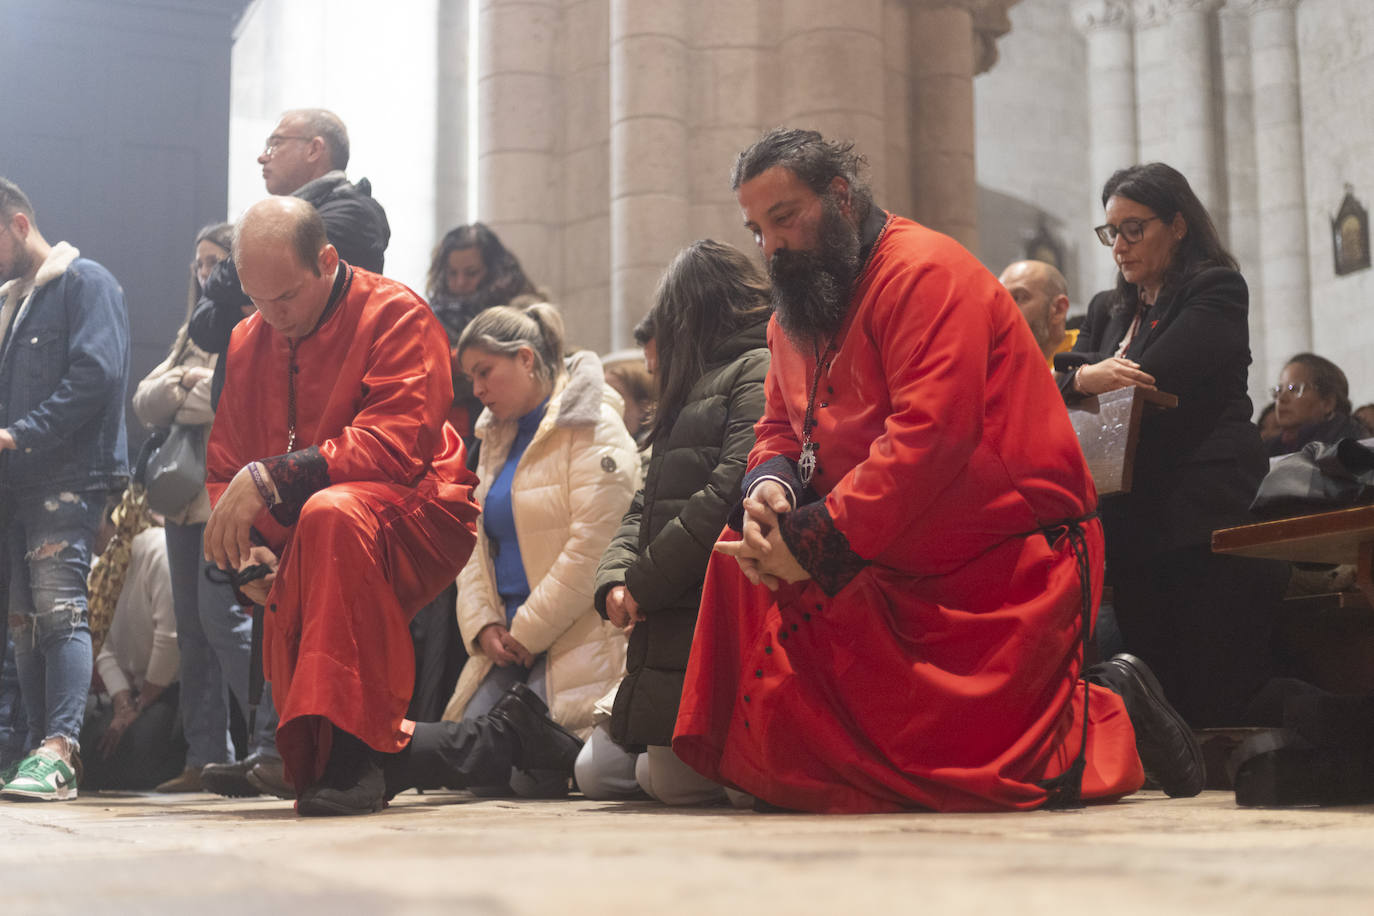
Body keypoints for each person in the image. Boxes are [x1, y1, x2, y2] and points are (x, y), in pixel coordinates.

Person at [671, 129, 1200, 815]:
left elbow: (931, 438)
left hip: (1002, 547)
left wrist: (812, 544)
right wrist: (771, 489)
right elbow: (779, 424)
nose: (771, 246)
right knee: (740, 567)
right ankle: (792, 759)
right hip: (887, 537)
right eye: (756, 230)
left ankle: (1101, 713)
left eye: (784, 218)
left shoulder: (924, 272)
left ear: (839, 197)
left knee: (968, 779)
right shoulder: (797, 310)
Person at [203, 197, 480, 816]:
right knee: (311, 761)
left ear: (327, 260)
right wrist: (249, 553)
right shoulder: (250, 339)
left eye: (287, 298)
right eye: (257, 300)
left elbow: (398, 444)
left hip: (421, 505)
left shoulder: (395, 311)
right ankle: (497, 741)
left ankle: (355, 757)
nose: (273, 318)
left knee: (330, 514)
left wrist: (274, 479)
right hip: (315, 524)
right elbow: (225, 470)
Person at [1061, 162, 1289, 728]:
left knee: (1213, 683)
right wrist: (1082, 378)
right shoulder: (1106, 309)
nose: (1119, 245)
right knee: (1153, 675)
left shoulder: (1214, 289)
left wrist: (1082, 375)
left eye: (1134, 229)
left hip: (1204, 506)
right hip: (1133, 513)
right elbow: (1064, 374)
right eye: (1111, 231)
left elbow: (1153, 373)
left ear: (1179, 224)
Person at [576, 240, 771, 804]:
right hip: (665, 618)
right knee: (601, 775)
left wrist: (645, 585)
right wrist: (614, 580)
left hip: (702, 609)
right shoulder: (691, 390)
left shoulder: (754, 367)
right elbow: (643, 501)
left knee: (666, 781)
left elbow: (728, 489)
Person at [441, 301, 638, 797]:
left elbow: (595, 546)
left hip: (572, 635)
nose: (478, 390)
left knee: (522, 772)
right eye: (471, 379)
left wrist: (526, 630)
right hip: (506, 643)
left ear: (526, 358)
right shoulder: (493, 437)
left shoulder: (592, 424)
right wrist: (483, 624)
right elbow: (472, 543)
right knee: (472, 770)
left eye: (485, 372)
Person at [0, 178, 129, 801]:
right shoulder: (15, 301)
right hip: (18, 486)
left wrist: (19, 434)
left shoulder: (86, 282)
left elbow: (96, 376)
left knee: (59, 615)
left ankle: (60, 749)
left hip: (67, 478)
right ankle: (34, 751)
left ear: (19, 224)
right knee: (23, 627)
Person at [192, 108, 391, 408]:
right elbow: (205, 325)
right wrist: (240, 294)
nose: (262, 157)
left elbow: (232, 279)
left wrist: (240, 292)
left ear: (314, 149)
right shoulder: (275, 217)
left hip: (308, 408)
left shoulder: (354, 213)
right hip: (248, 412)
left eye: (276, 143)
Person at [80, 497, 185, 791]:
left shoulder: (157, 547)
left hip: (172, 687)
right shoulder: (101, 565)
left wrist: (139, 706)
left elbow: (170, 637)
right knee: (93, 753)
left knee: (135, 757)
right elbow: (103, 646)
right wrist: (123, 703)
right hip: (137, 693)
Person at [424, 223, 542, 441]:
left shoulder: (522, 309)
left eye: (471, 273)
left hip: (511, 426)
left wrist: (452, 364)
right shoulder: (429, 315)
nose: (460, 282)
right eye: (452, 273)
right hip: (448, 434)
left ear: (493, 270)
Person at [1266, 353, 1369, 457]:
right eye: (1279, 390)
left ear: (1327, 403)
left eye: (1295, 389)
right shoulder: (1269, 449)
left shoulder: (1348, 446)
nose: (1281, 398)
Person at [998, 259, 1079, 364]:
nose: (1004, 309)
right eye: (1001, 300)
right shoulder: (999, 362)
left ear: (1059, 309)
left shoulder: (1087, 355)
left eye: (1018, 298)